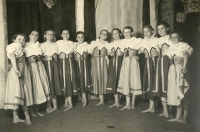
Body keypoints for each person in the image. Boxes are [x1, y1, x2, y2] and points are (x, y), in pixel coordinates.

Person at [4, 34, 33, 125]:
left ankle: (27, 116)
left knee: (25, 92)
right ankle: (16, 117)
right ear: (14, 39)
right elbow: (12, 57)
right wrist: (16, 69)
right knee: (16, 91)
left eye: (23, 39)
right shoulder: (12, 47)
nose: (21, 40)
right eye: (19, 39)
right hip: (17, 70)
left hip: (24, 69)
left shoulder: (22, 47)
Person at [167, 32, 193, 124]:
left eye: (176, 37)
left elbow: (185, 56)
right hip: (172, 70)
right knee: (176, 94)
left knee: (183, 93)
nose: (174, 39)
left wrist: (184, 67)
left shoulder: (183, 45)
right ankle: (178, 117)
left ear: (180, 38)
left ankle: (184, 117)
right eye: (172, 37)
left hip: (180, 70)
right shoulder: (170, 47)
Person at [24, 30, 51, 117]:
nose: (34, 36)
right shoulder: (25, 45)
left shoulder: (40, 46)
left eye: (36, 35)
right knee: (33, 87)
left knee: (40, 87)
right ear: (29, 35)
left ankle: (36, 110)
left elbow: (43, 55)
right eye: (32, 34)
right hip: (31, 68)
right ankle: (31, 112)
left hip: (39, 67)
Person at [117, 26, 142, 110]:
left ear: (132, 33)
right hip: (126, 62)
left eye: (128, 32)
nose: (126, 34)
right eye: (125, 32)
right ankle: (127, 104)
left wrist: (137, 55)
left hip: (134, 62)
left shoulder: (136, 41)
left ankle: (133, 103)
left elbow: (141, 50)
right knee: (126, 80)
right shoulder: (122, 42)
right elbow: (120, 52)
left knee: (134, 80)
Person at [153, 21, 173, 118]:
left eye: (162, 28)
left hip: (169, 62)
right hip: (160, 62)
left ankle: (171, 111)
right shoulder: (157, 40)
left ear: (167, 28)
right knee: (161, 84)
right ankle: (165, 111)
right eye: (158, 29)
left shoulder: (171, 38)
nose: (160, 31)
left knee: (170, 84)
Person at [41, 29, 63, 113]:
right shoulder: (41, 45)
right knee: (48, 83)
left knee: (54, 82)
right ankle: (49, 105)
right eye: (48, 34)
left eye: (52, 34)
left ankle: (55, 105)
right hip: (46, 65)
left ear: (53, 36)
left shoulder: (56, 44)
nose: (50, 36)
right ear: (45, 35)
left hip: (55, 65)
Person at [56, 29, 78, 111]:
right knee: (63, 80)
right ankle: (66, 100)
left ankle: (70, 103)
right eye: (64, 33)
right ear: (61, 35)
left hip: (70, 62)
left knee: (69, 80)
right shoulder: (57, 43)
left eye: (67, 33)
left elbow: (75, 53)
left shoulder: (72, 43)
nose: (65, 35)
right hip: (61, 63)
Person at [140, 25, 160, 113]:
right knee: (149, 82)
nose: (146, 33)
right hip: (147, 62)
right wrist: (143, 49)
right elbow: (139, 50)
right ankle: (151, 107)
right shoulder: (142, 41)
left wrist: (157, 53)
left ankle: (155, 106)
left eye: (148, 31)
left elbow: (161, 51)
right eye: (144, 32)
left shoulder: (157, 40)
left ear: (152, 31)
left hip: (156, 62)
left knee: (155, 82)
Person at [89, 29, 110, 106]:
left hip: (103, 62)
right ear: (99, 35)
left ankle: (102, 99)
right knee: (96, 78)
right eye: (102, 34)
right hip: (95, 62)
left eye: (105, 34)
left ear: (107, 36)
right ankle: (98, 96)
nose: (103, 35)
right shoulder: (94, 43)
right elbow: (89, 51)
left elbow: (109, 53)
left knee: (103, 78)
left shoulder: (108, 44)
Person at [74, 31, 92, 107]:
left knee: (84, 80)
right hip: (76, 65)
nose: (80, 38)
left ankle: (85, 99)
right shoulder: (74, 45)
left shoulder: (87, 45)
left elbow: (91, 52)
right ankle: (80, 96)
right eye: (78, 37)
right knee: (78, 80)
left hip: (84, 64)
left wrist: (87, 55)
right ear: (76, 38)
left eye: (82, 37)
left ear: (84, 38)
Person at [106, 28, 123, 108]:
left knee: (120, 79)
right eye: (113, 34)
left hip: (121, 62)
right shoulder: (110, 44)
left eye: (116, 33)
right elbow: (107, 54)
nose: (115, 35)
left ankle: (120, 99)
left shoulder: (124, 42)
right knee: (113, 80)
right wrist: (110, 55)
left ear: (120, 34)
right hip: (113, 63)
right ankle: (116, 101)